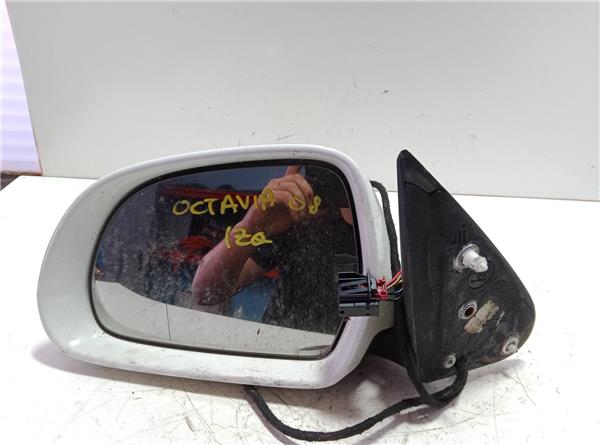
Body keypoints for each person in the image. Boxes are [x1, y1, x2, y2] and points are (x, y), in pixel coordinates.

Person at [191, 166, 357, 334]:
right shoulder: (300, 219)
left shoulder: (369, 236)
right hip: (276, 346)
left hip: (340, 348)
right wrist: (252, 225)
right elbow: (205, 292)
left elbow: (360, 320)